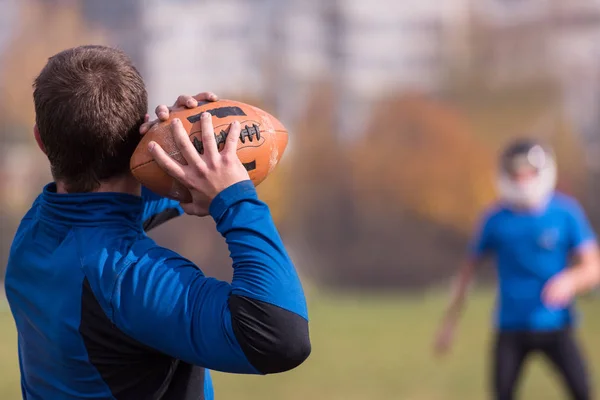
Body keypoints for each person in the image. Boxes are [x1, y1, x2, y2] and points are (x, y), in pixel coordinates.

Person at [4, 45, 311, 400]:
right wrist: (235, 199)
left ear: (41, 140)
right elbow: (282, 335)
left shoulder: (34, 232)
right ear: (139, 131)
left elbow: (104, 211)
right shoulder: (125, 283)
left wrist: (176, 149)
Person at [433, 138, 600, 400]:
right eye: (515, 173)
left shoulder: (565, 213)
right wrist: (449, 324)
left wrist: (570, 280)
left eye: (528, 173)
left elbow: (593, 266)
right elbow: (467, 272)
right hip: (510, 326)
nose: (522, 180)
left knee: (582, 391)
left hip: (556, 324)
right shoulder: (495, 219)